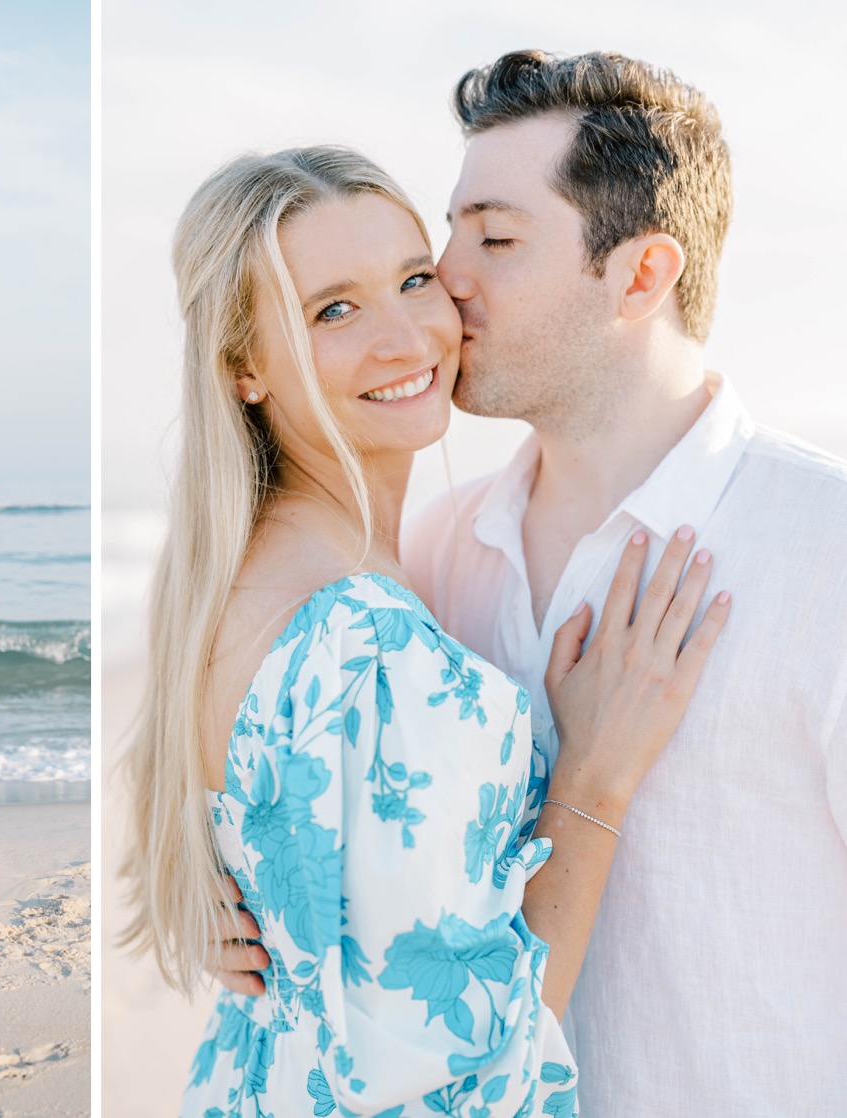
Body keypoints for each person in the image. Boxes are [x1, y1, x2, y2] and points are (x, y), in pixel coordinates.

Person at [211, 51, 847, 1116]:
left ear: (640, 276)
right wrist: (243, 903)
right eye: (450, 232)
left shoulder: (822, 546)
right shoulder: (439, 552)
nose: (445, 280)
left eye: (495, 239)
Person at [118, 143, 730, 1117]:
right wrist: (593, 779)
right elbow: (477, 1074)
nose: (407, 337)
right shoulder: (365, 646)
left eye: (413, 279)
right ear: (242, 365)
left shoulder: (238, 581)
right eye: (334, 309)